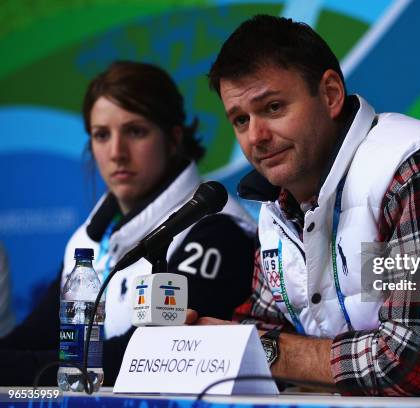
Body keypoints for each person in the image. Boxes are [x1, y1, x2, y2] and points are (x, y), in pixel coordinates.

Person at [188, 15, 420, 397]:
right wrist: (204, 346)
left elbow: (415, 367)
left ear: (331, 95)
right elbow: (262, 328)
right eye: (240, 119)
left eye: (273, 108)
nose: (256, 137)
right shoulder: (278, 209)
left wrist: (255, 350)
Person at [0, 61, 255, 385]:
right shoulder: (87, 240)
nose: (117, 152)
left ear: (173, 138)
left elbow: (142, 359)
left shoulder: (216, 229)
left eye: (135, 131)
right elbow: (32, 338)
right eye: (101, 135)